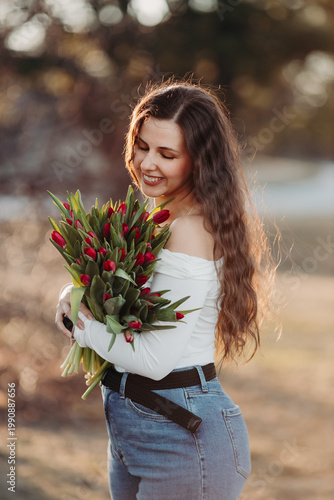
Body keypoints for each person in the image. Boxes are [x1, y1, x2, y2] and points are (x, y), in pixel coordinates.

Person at [55, 80, 276, 500]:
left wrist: (78, 325)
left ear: (199, 161)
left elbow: (153, 361)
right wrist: (80, 291)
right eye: (141, 145)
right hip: (137, 423)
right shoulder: (163, 215)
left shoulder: (188, 230)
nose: (146, 163)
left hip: (181, 435)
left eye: (167, 154)